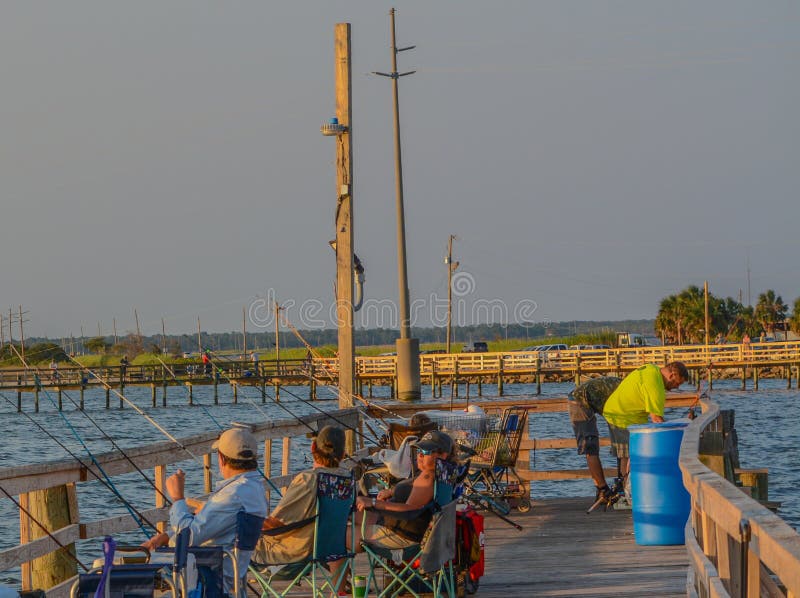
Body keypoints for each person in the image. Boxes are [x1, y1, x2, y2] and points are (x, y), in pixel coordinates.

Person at [141, 425, 268, 595]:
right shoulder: (255, 489)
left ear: (221, 459)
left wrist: (178, 498)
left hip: (207, 578)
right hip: (229, 575)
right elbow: (208, 527)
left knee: (134, 575)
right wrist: (165, 537)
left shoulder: (232, 495)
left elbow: (188, 537)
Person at [568, 361, 688, 506]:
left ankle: (620, 489)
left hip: (611, 407)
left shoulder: (650, 372)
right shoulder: (653, 384)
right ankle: (604, 490)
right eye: (677, 383)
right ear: (672, 374)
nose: (676, 388)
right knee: (590, 446)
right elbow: (657, 419)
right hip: (580, 399)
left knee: (625, 450)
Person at [251, 426, 349, 570]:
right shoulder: (347, 479)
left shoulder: (308, 480)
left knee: (226, 542)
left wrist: (244, 519)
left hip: (291, 554)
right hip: (326, 551)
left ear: (313, 447)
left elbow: (275, 523)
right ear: (343, 454)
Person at [354, 430, 454, 550]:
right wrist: (392, 491)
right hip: (397, 523)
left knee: (341, 533)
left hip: (402, 534)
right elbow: (416, 494)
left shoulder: (428, 477)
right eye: (419, 450)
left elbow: (409, 510)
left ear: (443, 455)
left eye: (426, 451)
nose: (420, 455)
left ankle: (344, 568)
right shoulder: (443, 473)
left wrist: (373, 503)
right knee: (350, 511)